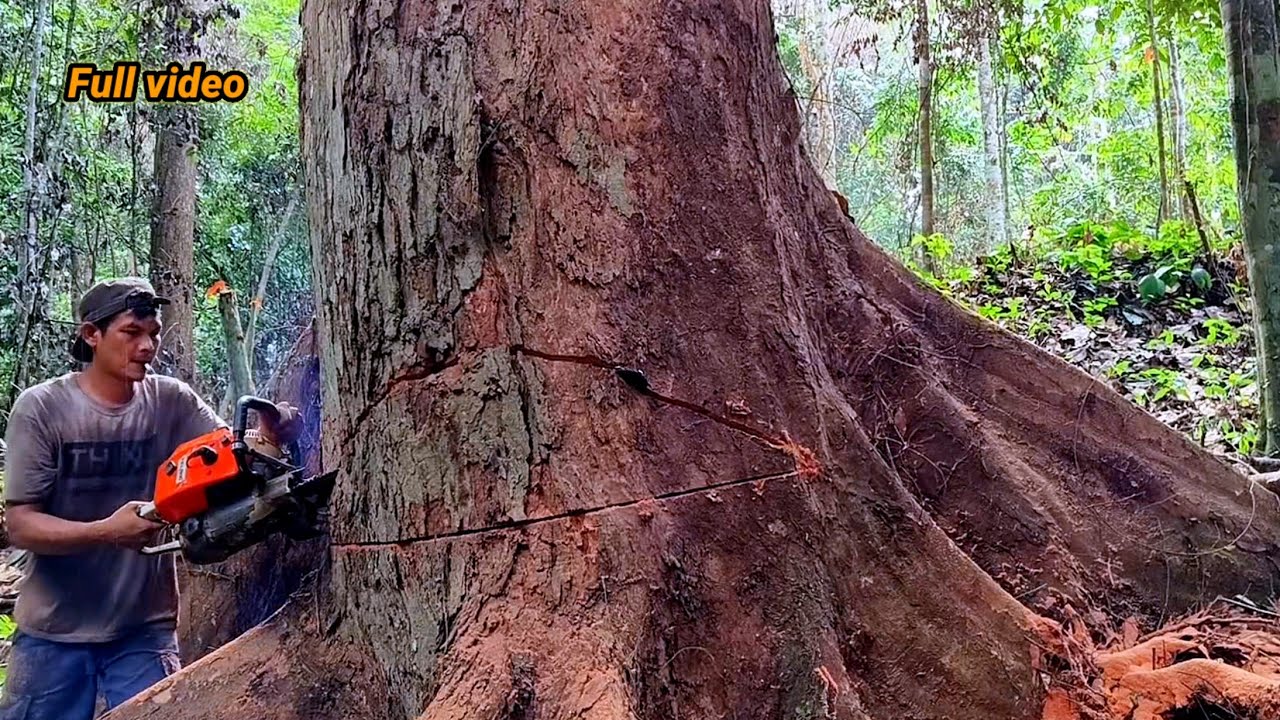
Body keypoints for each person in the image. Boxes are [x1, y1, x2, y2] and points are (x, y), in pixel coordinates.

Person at [0, 277, 299, 719]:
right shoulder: (42, 409)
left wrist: (270, 436)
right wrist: (105, 532)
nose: (147, 346)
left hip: (143, 629)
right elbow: (21, 524)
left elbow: (228, 455)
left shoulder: (170, 401)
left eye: (154, 333)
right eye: (131, 332)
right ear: (92, 334)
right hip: (53, 632)